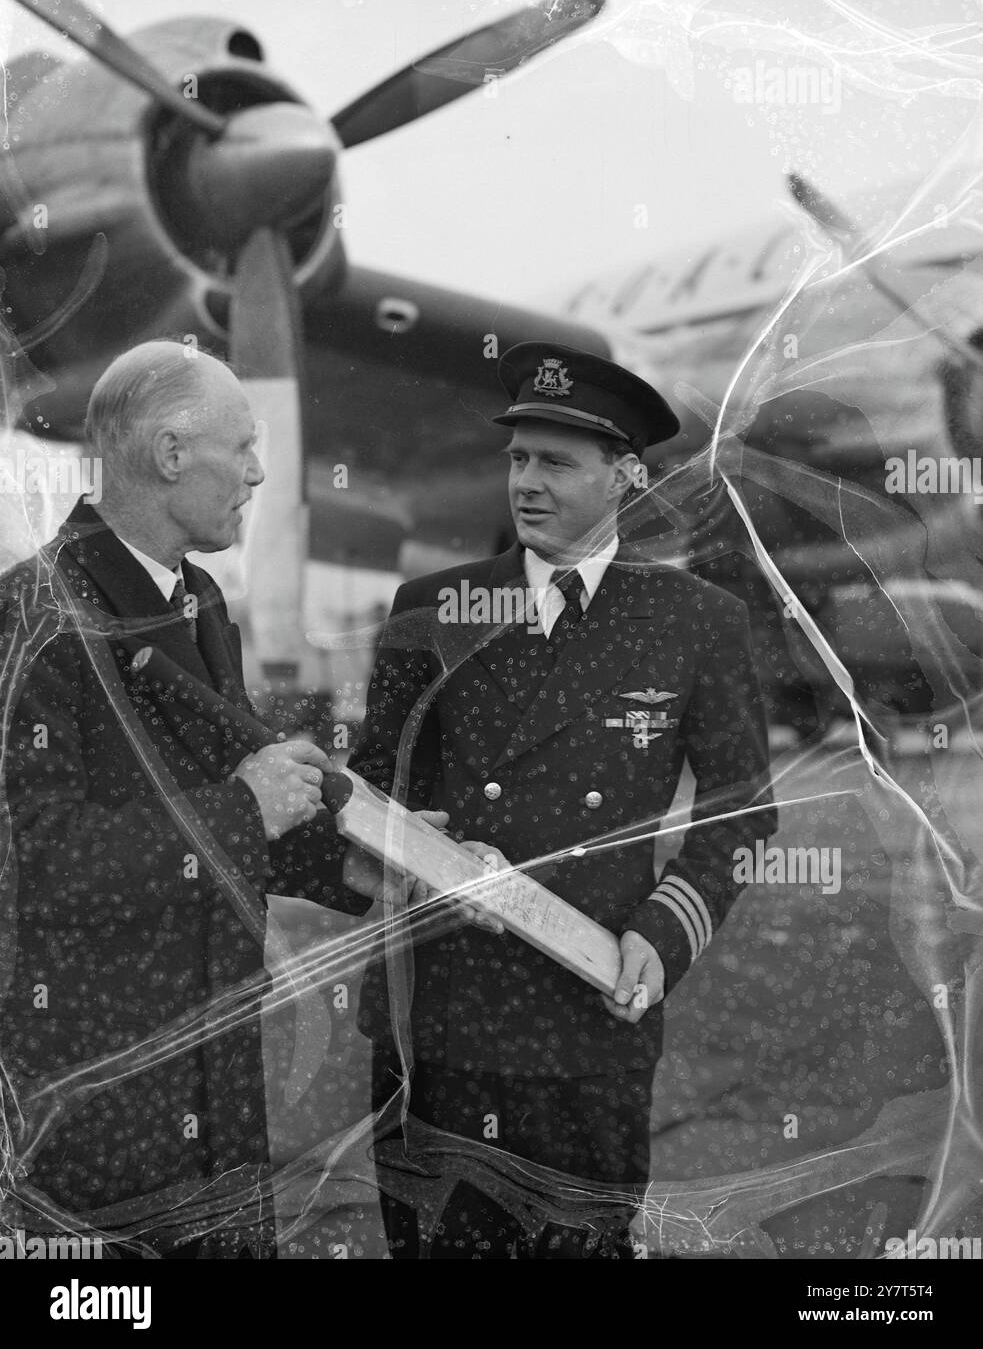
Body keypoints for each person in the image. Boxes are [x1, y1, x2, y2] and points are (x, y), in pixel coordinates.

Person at [0, 341, 441, 1258]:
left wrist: (354, 868)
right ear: (169, 455)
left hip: (219, 1052)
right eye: (241, 447)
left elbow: (217, 809)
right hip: (102, 1077)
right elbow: (39, 865)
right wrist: (245, 810)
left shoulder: (197, 600)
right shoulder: (32, 616)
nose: (259, 471)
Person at [350, 341, 778, 1258]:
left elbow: (742, 815)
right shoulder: (431, 608)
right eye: (516, 458)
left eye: (555, 462)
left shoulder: (697, 621)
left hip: (589, 1018)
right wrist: (422, 865)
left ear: (624, 475)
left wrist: (659, 942)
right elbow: (373, 795)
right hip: (440, 1019)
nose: (526, 483)